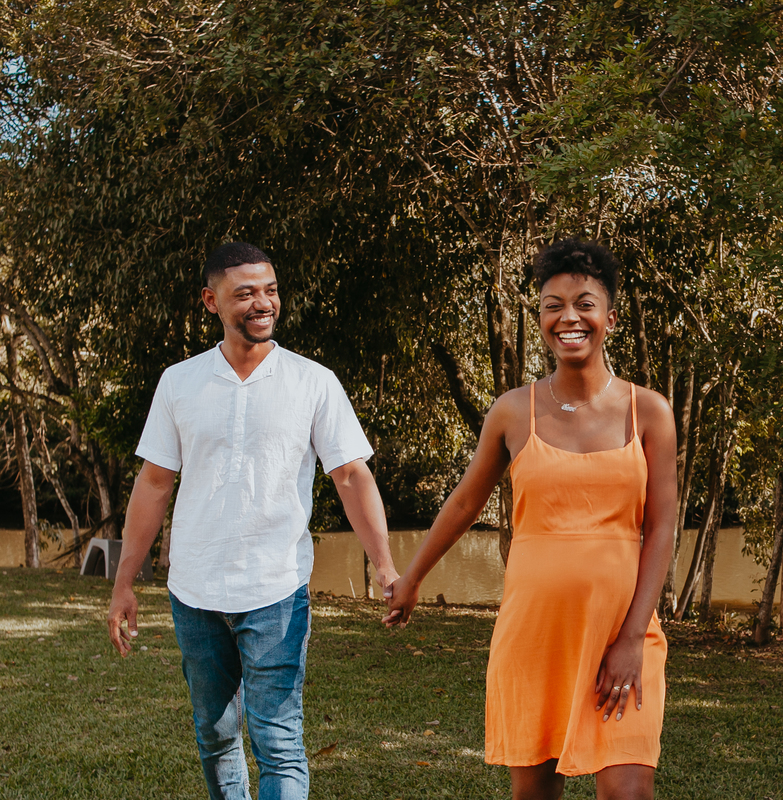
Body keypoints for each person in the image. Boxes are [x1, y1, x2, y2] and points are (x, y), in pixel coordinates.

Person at [106, 242, 401, 800]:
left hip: (276, 592)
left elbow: (351, 477)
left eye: (270, 290)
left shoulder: (313, 381)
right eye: (245, 293)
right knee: (215, 737)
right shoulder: (179, 382)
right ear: (210, 302)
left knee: (279, 742)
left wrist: (385, 566)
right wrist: (125, 581)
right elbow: (153, 484)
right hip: (194, 592)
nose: (262, 303)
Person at [385, 238, 677, 800]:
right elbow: (466, 503)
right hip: (536, 632)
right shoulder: (514, 410)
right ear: (540, 317)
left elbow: (661, 527)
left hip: (622, 630)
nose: (569, 317)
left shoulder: (650, 411)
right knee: (535, 795)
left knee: (630, 791)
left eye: (585, 304)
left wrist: (633, 636)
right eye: (552, 305)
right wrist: (413, 578)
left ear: (610, 318)